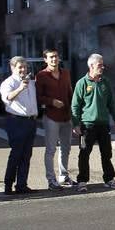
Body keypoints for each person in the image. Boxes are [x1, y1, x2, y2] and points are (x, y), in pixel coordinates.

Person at [71, 53, 115, 192]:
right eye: (100, 65)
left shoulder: (105, 82)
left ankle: (109, 179)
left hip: (104, 124)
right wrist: (76, 124)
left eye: (102, 64)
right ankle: (82, 181)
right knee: (84, 153)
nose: (102, 67)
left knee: (106, 153)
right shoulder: (82, 83)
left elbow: (111, 102)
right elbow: (75, 106)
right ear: (91, 66)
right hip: (87, 125)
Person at [35, 49, 74, 190]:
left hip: (66, 116)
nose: (54, 59)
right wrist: (52, 101)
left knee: (66, 148)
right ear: (45, 59)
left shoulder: (66, 73)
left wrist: (74, 115)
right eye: (51, 57)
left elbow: (70, 94)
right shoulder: (41, 75)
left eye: (56, 56)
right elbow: (38, 98)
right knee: (51, 150)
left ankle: (63, 176)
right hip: (51, 117)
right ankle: (51, 180)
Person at [0, 56, 38, 195]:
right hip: (16, 121)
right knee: (16, 154)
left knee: (26, 155)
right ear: (13, 68)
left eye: (25, 67)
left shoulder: (31, 82)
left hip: (30, 121)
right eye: (20, 67)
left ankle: (22, 184)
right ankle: (8, 185)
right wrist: (20, 88)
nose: (23, 70)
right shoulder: (8, 83)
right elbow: (7, 98)